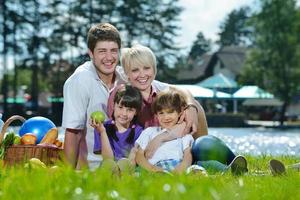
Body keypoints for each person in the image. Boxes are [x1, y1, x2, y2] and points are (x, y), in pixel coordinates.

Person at [107, 44, 208, 157]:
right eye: (135, 70)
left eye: (147, 68)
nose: (142, 75)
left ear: (154, 69)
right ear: (127, 74)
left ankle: (203, 156)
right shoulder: (122, 94)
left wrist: (191, 107)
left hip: (167, 147)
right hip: (134, 154)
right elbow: (115, 132)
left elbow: (181, 90)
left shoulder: (160, 90)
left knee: (196, 106)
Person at [62, 23, 126, 169]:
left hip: (124, 167)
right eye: (102, 51)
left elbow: (159, 86)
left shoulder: (124, 76)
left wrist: (190, 104)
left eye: (114, 51)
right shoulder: (80, 80)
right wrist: (66, 177)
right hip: (92, 170)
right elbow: (73, 132)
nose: (109, 58)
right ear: (91, 53)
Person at [135, 88, 207, 174]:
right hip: (155, 166)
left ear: (180, 112)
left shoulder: (184, 134)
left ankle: (222, 170)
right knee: (138, 172)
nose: (166, 117)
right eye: (161, 113)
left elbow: (188, 155)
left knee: (197, 168)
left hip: (177, 165)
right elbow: (139, 155)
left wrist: (181, 168)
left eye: (170, 112)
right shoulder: (149, 132)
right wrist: (152, 169)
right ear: (156, 115)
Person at [90, 85, 143, 174]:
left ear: (136, 112)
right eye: (120, 107)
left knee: (123, 164)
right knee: (109, 164)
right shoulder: (102, 127)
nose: (124, 113)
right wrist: (102, 132)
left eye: (130, 110)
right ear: (114, 106)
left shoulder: (139, 131)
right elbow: (108, 159)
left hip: (127, 171)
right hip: (109, 169)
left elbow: (132, 162)